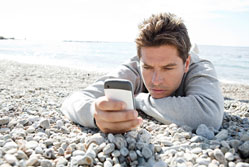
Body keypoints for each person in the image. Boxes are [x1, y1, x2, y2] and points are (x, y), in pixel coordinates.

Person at [61, 13, 224, 133]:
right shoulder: (134, 67)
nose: (156, 80)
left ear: (186, 63)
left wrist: (138, 100)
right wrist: (94, 113)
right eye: (148, 67)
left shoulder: (199, 66)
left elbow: (208, 115)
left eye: (168, 68)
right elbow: (72, 101)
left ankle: (193, 47)